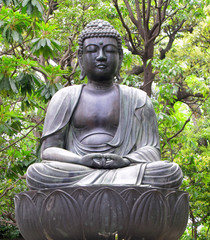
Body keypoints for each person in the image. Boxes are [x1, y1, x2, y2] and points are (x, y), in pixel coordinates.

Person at [26, 20, 182, 189]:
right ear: (80, 57)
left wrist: (124, 160)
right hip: (78, 170)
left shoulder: (138, 99)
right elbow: (48, 151)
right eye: (92, 50)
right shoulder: (65, 97)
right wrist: (80, 160)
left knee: (169, 172)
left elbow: (151, 152)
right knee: (37, 172)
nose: (101, 56)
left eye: (109, 50)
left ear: (120, 57)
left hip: (125, 170)